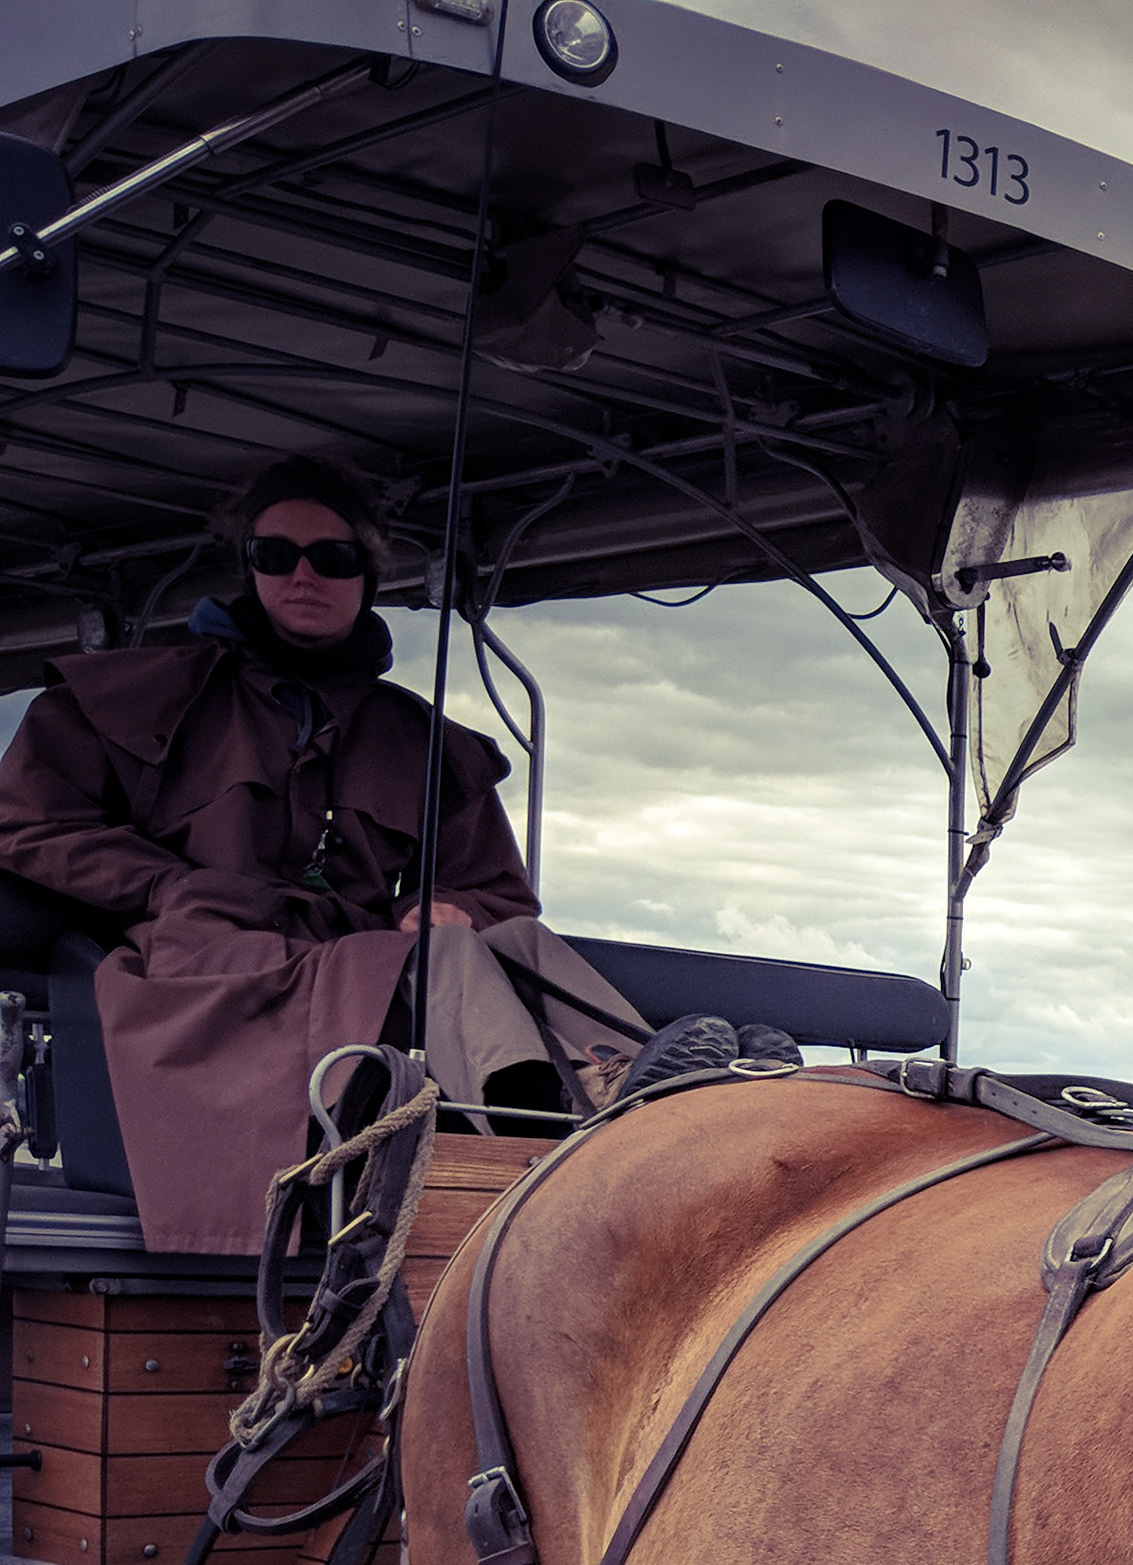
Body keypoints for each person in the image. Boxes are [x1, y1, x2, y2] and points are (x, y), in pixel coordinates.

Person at [0, 454, 728, 1254]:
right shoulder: (136, 695)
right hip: (208, 974)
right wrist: (170, 885)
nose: (303, 575)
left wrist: (447, 905)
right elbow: (24, 826)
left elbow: (501, 895)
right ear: (248, 566)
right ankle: (546, 1128)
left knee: (508, 940)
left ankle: (669, 1089)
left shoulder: (419, 739)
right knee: (446, 959)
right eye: (276, 554)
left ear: (367, 574)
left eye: (333, 557)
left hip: (357, 971)